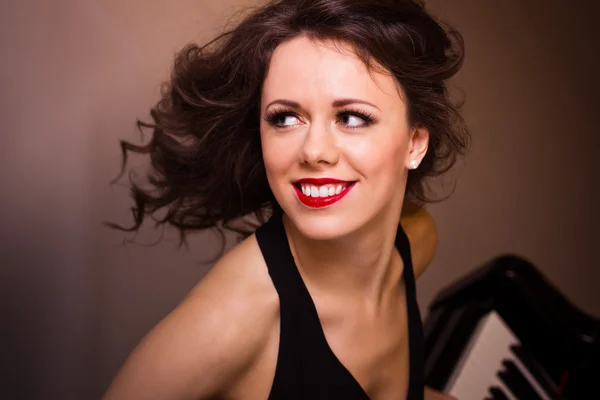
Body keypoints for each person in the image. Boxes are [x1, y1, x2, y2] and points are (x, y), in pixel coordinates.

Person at [104, 0, 470, 399]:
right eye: (285, 118)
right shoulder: (228, 324)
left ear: (414, 144)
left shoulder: (416, 241)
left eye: (351, 117)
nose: (313, 151)